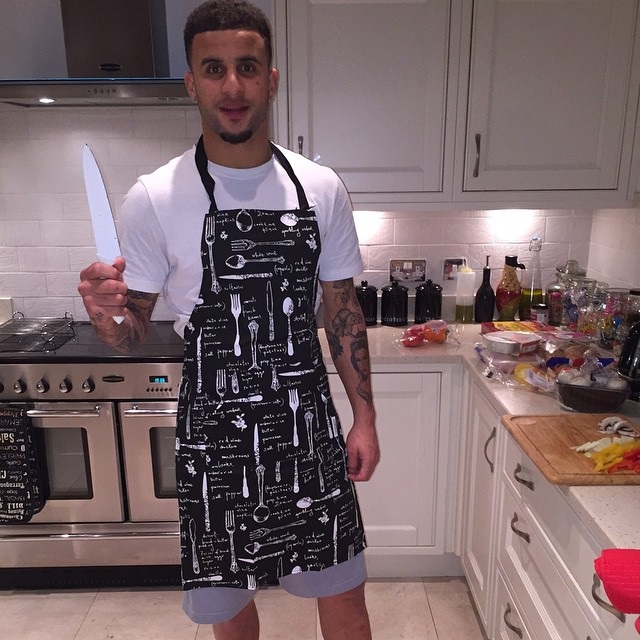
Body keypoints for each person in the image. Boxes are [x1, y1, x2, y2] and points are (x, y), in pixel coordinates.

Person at [77, 1, 379, 638]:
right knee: (230, 617)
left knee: (344, 601)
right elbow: (129, 333)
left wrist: (366, 417)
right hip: (217, 442)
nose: (232, 86)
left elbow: (341, 311)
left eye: (248, 67)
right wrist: (104, 315)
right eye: (214, 69)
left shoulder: (321, 189)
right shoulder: (154, 198)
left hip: (307, 432)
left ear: (272, 78)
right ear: (191, 82)